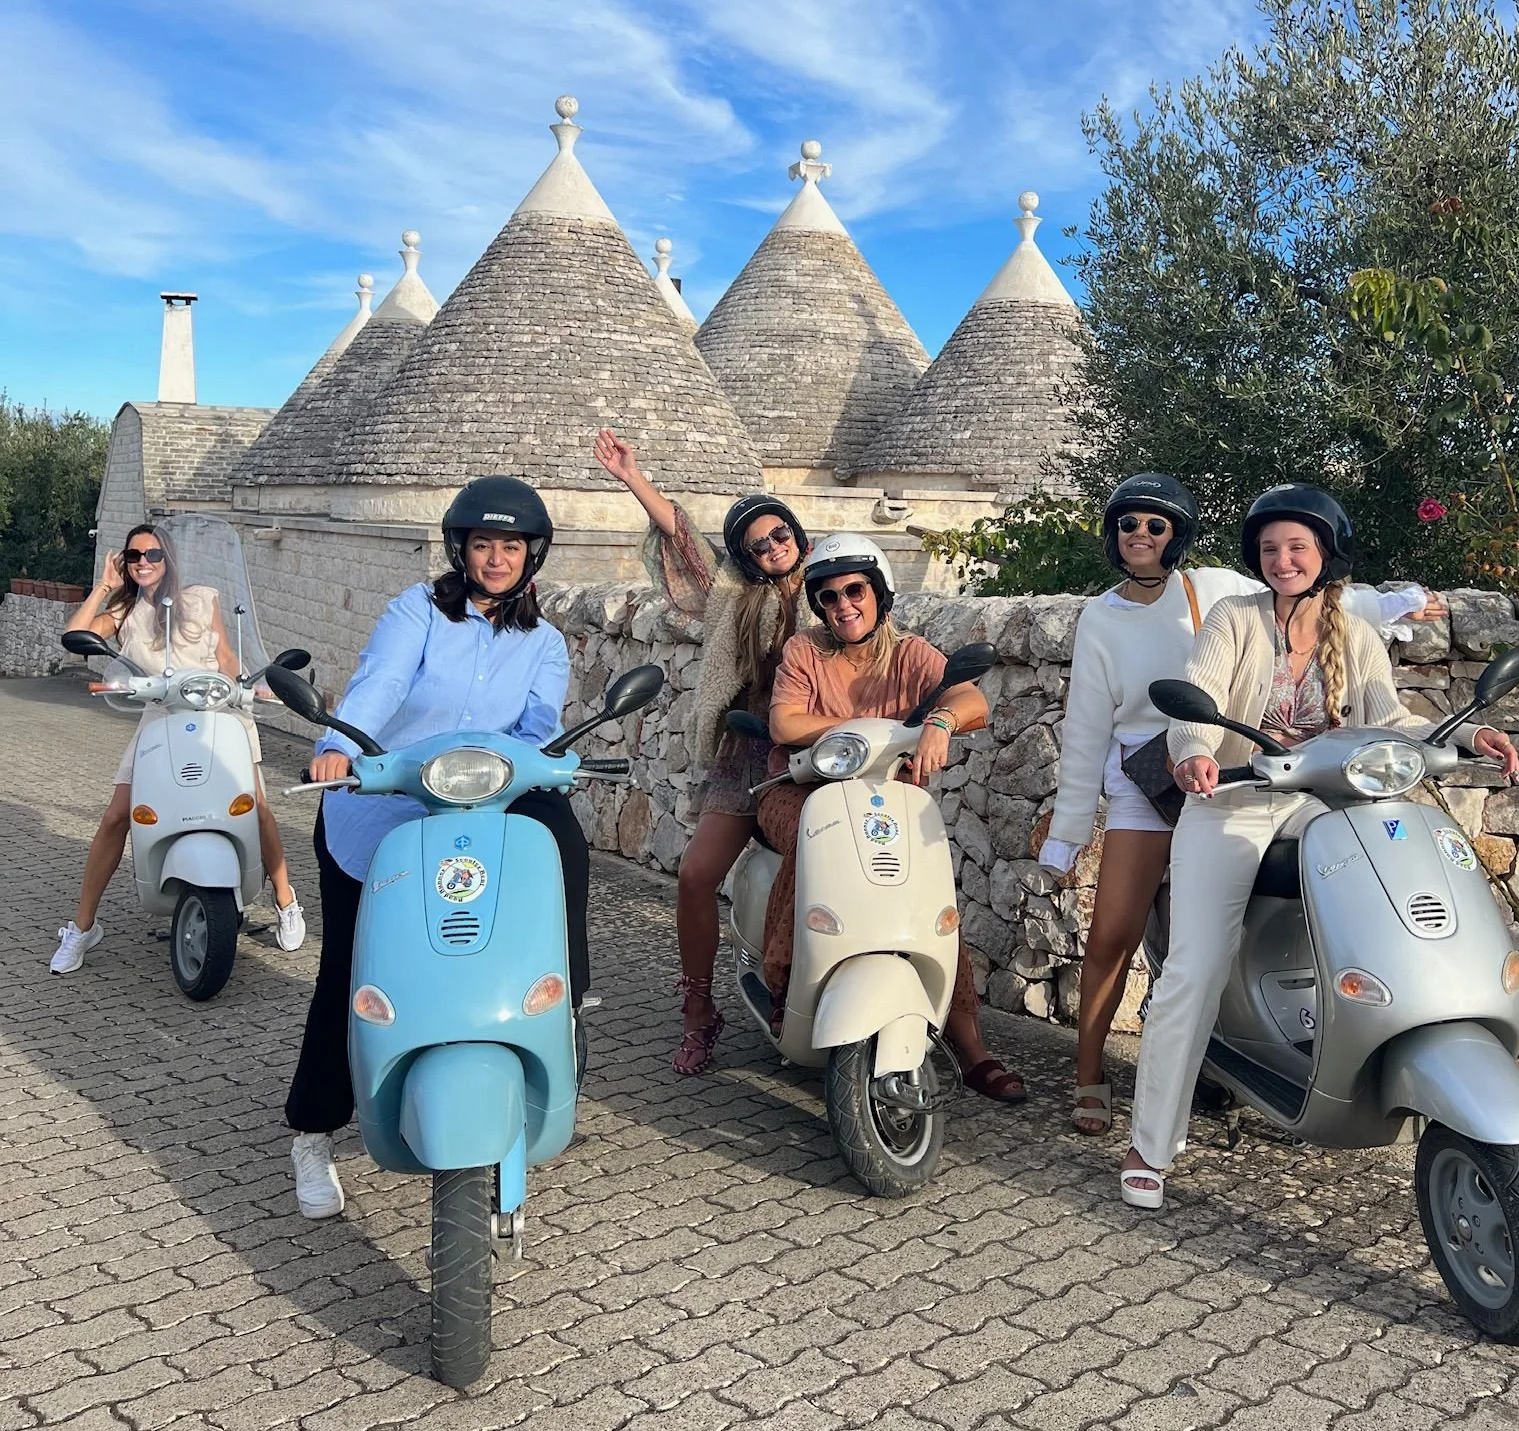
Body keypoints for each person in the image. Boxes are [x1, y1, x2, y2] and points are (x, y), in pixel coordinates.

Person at [1119, 484, 1519, 1211]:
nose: (1282, 560)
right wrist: (1192, 753)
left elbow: (1391, 716)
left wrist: (1466, 736)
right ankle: (1152, 1141)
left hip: (1328, 803)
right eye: (1269, 548)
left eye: (1296, 547)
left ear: (1324, 554)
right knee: (1195, 967)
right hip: (1233, 803)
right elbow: (1195, 697)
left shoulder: (1353, 631)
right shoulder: (1233, 619)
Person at [1041, 475, 1443, 1137]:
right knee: (1116, 929)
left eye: (1155, 525)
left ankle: (1224, 1064)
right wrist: (1068, 832)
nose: (1139, 535)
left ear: (1179, 535)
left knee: (1240, 933)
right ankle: (1090, 1073)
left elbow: (1315, 600)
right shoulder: (1100, 617)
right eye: (1127, 524)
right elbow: (1087, 727)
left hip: (1240, 771)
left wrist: (1399, 601)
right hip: (1151, 774)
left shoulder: (1217, 588)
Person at [286, 477, 588, 1220]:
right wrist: (336, 747)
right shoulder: (417, 611)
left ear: (531, 556)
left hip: (483, 804)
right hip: (381, 807)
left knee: (564, 846)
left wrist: (543, 764)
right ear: (461, 548)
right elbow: (379, 684)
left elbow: (536, 727)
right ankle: (314, 1132)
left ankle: (564, 1009)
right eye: (482, 544)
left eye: (510, 546)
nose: (495, 558)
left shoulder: (544, 644)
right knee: (352, 970)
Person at [761, 534, 1027, 1102]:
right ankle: (782, 980)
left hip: (888, 797)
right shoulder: (805, 652)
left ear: (879, 593)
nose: (843, 605)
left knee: (930, 894)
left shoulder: (910, 653)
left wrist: (941, 721)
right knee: (816, 840)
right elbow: (784, 724)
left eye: (855, 590)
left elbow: (971, 700)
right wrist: (866, 732)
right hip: (800, 790)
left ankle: (968, 1039)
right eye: (828, 597)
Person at [593, 429, 810, 1074]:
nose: (773, 548)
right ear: (744, 558)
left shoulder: (833, 586)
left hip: (820, 752)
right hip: (749, 750)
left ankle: (792, 989)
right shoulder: (734, 599)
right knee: (695, 875)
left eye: (780, 535)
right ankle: (698, 1011)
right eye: (758, 545)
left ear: (796, 533)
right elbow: (684, 541)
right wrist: (635, 480)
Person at [51, 522, 304, 975]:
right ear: (125, 564)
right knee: (115, 817)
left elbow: (226, 654)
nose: (143, 563)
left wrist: (252, 685)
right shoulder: (123, 612)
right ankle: (83, 926)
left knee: (257, 808)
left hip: (221, 716)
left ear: (168, 558)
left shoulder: (201, 597)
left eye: (152, 555)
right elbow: (75, 636)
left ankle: (287, 901)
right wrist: (102, 587)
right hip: (161, 720)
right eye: (134, 557)